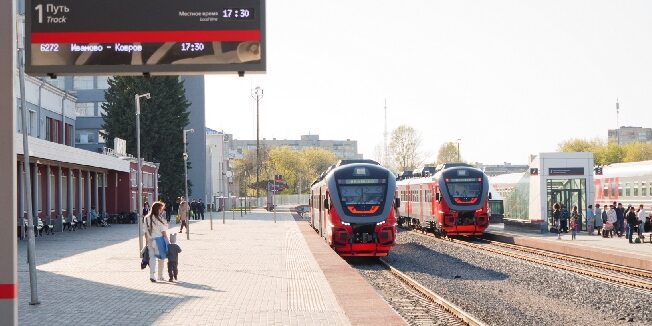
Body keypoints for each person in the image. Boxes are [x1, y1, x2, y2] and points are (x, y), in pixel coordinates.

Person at [143, 201, 169, 282]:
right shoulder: (160, 219)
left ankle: (152, 275)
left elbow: (145, 231)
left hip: (150, 240)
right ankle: (160, 276)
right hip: (159, 240)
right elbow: (163, 232)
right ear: (158, 209)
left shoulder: (146, 218)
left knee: (152, 258)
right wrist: (168, 242)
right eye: (161, 209)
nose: (162, 210)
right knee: (161, 258)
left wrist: (147, 242)